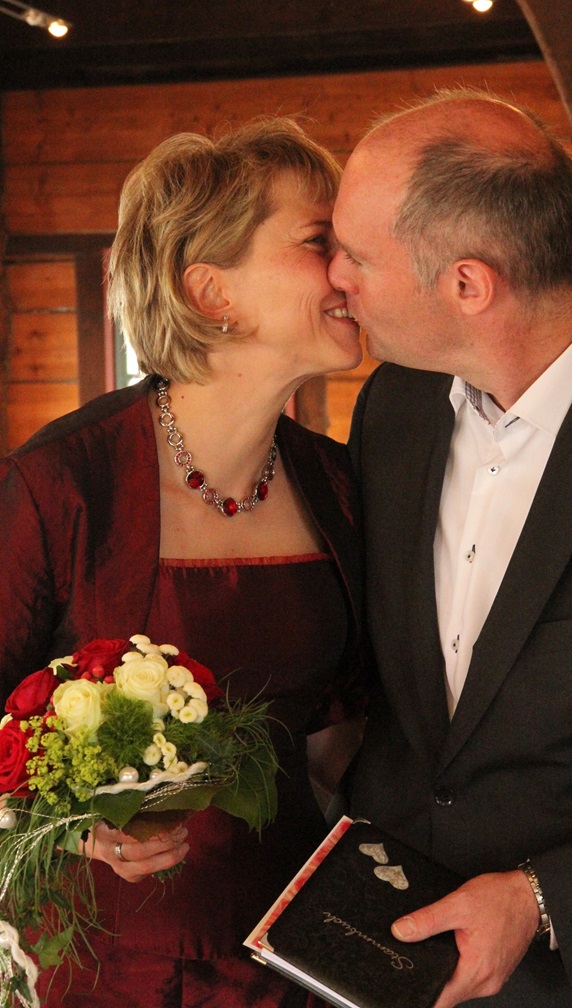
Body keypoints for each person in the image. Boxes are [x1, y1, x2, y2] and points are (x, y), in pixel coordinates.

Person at [0, 118, 364, 1007]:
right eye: (320, 242)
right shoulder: (61, 484)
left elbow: (345, 739)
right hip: (106, 967)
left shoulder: (340, 485)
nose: (350, 270)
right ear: (211, 291)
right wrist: (80, 830)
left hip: (294, 960)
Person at [327, 87, 572, 1007]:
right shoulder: (393, 409)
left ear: (468, 285)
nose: (334, 278)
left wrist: (544, 898)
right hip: (376, 958)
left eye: (356, 255)